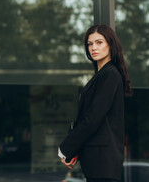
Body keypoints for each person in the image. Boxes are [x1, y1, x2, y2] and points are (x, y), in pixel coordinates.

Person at [58, 24, 132, 182]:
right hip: (98, 163)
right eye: (90, 44)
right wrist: (76, 149)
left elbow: (92, 119)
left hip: (103, 163)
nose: (93, 48)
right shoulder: (102, 75)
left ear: (110, 45)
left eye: (99, 42)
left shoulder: (110, 74)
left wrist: (66, 148)